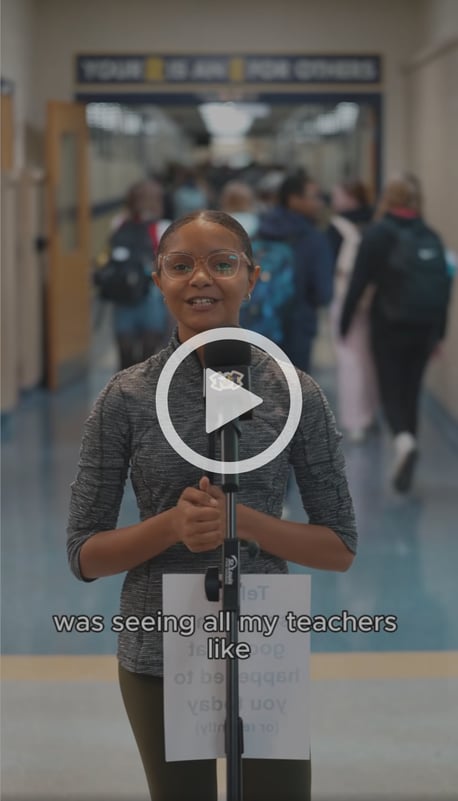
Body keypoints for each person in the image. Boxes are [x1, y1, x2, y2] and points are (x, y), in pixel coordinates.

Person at [67, 210, 357, 801]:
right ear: (159, 281)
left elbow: (340, 547)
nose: (201, 279)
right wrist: (171, 525)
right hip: (158, 650)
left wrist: (240, 522)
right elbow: (84, 555)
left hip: (265, 642)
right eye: (181, 265)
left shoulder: (296, 393)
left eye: (222, 264)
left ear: (252, 278)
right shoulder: (124, 399)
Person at [340, 173, 452, 492]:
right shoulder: (430, 234)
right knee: (411, 390)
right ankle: (408, 453)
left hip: (389, 323)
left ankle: (403, 442)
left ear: (388, 198)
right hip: (425, 326)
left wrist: (344, 323)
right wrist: (439, 333)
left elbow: (358, 282)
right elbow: (444, 287)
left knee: (390, 387)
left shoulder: (377, 234)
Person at [257, 170, 334, 372]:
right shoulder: (313, 239)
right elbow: (323, 294)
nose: (320, 203)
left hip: (261, 323)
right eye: (314, 197)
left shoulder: (262, 231)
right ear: (293, 199)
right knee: (293, 393)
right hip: (298, 327)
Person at [327, 180, 378, 442]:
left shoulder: (336, 228)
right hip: (375, 299)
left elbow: (329, 265)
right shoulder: (375, 223)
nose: (333, 198)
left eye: (338, 193)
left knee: (348, 358)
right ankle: (369, 413)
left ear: (350, 196)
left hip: (345, 298)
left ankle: (354, 419)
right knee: (368, 357)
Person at [109, 179, 172, 369]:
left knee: (125, 349)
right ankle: (145, 390)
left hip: (123, 292)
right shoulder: (163, 227)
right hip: (151, 292)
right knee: (150, 350)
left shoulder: (119, 223)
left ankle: (125, 387)